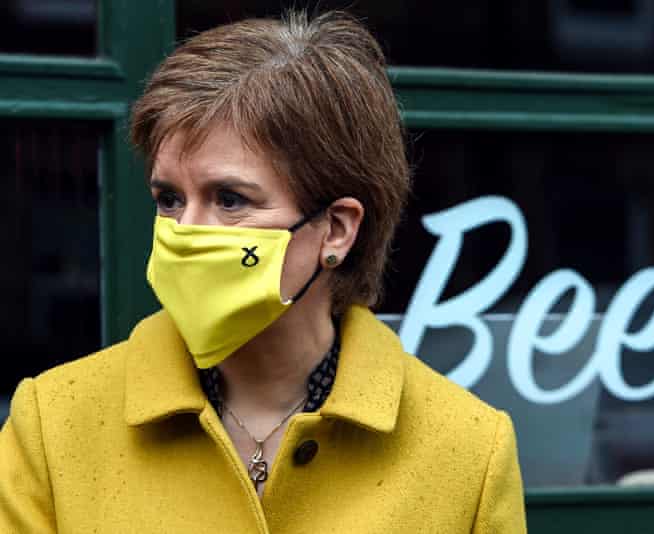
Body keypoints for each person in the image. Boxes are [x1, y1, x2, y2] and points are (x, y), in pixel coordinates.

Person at [0, 10, 526, 533]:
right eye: (169, 199)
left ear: (337, 230)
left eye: (230, 200)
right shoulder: (54, 423)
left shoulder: (468, 450)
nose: (187, 231)